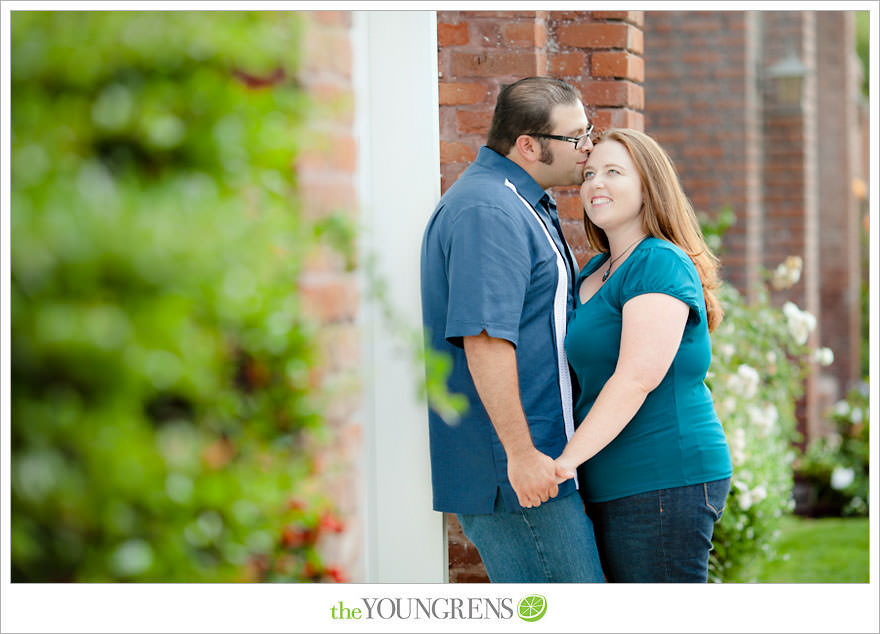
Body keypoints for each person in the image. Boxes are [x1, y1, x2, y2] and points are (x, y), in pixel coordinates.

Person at [419, 77, 604, 582]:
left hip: (540, 462)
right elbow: (485, 339)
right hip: (519, 474)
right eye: (576, 137)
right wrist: (522, 458)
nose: (588, 147)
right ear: (528, 145)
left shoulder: (518, 201)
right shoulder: (490, 210)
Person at [554, 128, 733, 582]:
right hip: (613, 479)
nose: (596, 183)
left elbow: (637, 377)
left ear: (648, 185)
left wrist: (564, 463)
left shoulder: (658, 261)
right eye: (590, 173)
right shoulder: (595, 270)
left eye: (614, 172)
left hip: (663, 476)